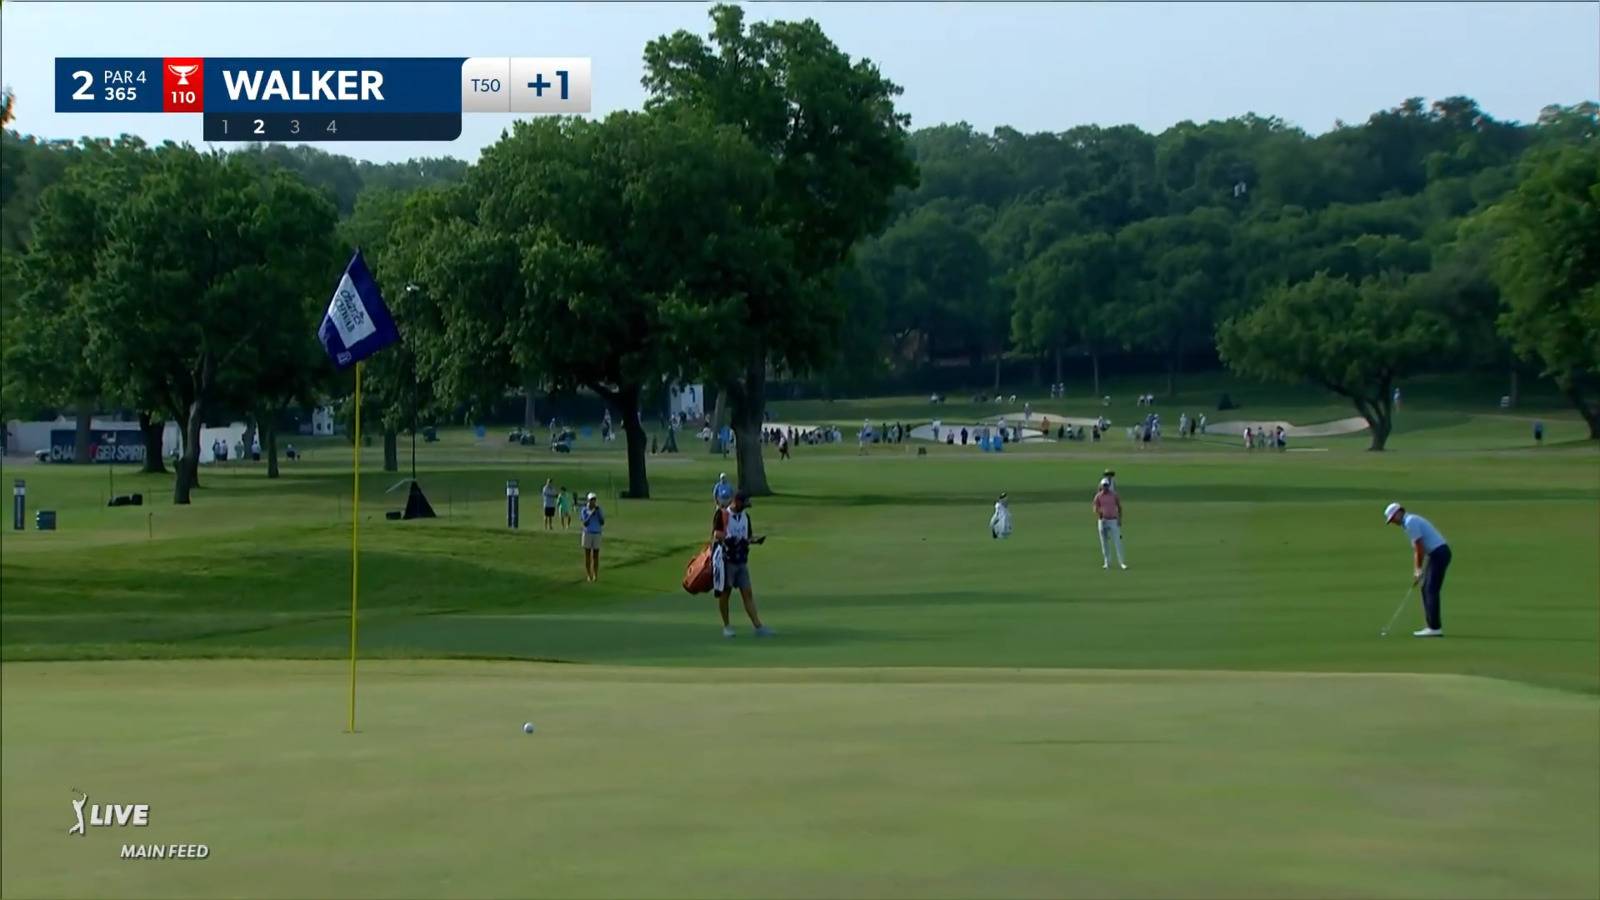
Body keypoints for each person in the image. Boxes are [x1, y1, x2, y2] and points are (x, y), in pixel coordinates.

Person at [1384, 502, 1451, 637]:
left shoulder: (1410, 522)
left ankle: (1434, 628)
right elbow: (1419, 548)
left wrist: (1418, 569)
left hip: (1439, 553)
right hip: (1437, 554)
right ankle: (1433, 626)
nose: (1393, 522)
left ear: (1399, 512)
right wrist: (1419, 570)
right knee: (1427, 588)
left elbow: (1418, 548)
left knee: (1430, 589)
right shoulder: (1408, 522)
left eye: (1393, 518)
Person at [713, 491, 771, 638]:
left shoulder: (746, 517)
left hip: (741, 561)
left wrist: (755, 540)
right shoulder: (723, 515)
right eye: (743, 504)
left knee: (748, 593)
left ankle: (758, 626)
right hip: (727, 561)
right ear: (736, 501)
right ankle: (727, 627)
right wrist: (729, 538)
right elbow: (716, 534)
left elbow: (747, 536)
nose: (745, 507)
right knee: (725, 594)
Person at [1093, 478, 1127, 570]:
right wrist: (1098, 512)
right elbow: (1095, 507)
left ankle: (1121, 563)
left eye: (1106, 485)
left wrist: (1120, 519)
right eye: (1104, 485)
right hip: (1102, 521)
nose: (1105, 487)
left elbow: (1119, 507)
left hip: (1113, 520)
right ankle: (1107, 562)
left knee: (1117, 541)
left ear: (1108, 486)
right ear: (1101, 486)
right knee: (1104, 543)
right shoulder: (1098, 496)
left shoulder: (1114, 495)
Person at [580, 492, 605, 582]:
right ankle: (588, 574)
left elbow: (602, 522)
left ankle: (595, 574)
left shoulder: (599, 509)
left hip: (597, 533)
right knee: (587, 555)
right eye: (591, 500)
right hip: (587, 533)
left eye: (594, 500)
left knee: (596, 555)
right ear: (588, 501)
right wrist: (591, 514)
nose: (593, 502)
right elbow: (585, 523)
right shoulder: (584, 510)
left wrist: (597, 513)